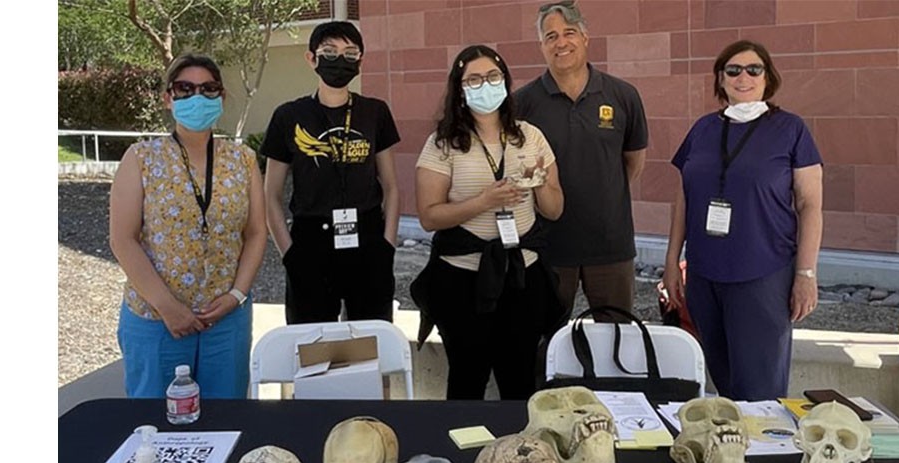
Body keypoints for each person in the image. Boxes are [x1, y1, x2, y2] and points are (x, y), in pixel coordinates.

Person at [662, 40, 824, 401]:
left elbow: (810, 205)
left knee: (760, 391)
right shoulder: (703, 129)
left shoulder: (790, 129)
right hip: (705, 275)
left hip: (762, 275)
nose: (743, 77)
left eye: (754, 69)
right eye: (733, 70)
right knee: (724, 380)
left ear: (768, 77)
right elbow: (684, 197)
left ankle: (763, 440)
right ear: (721, 79)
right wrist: (672, 260)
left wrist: (806, 274)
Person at [411, 44, 565, 400]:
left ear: (506, 83)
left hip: (523, 275)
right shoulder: (442, 144)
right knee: (467, 378)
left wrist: (539, 184)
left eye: (493, 77)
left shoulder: (530, 136)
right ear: (460, 90)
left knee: (520, 378)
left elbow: (555, 209)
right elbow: (429, 216)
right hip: (463, 279)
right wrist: (483, 202)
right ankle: (463, 438)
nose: (486, 85)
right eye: (475, 79)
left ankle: (519, 438)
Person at [109, 54, 266, 399]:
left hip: (225, 320)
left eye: (208, 89)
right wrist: (168, 307)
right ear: (168, 98)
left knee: (226, 418)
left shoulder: (243, 160)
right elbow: (123, 239)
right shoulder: (141, 158)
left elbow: (256, 232)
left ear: (221, 98)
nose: (198, 97)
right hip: (156, 319)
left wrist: (236, 295)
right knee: (155, 420)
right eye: (185, 88)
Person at [514, 0, 648, 320]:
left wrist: (603, 196)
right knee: (544, 337)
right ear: (542, 46)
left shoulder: (623, 96)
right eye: (551, 36)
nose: (561, 42)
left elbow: (633, 163)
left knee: (616, 336)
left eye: (569, 32)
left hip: (610, 246)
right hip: (547, 247)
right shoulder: (522, 104)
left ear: (585, 37)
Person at [261, 21, 400, 324]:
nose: (340, 59)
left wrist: (387, 245)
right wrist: (289, 254)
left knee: (369, 340)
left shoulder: (375, 112)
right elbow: (270, 194)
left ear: (360, 61)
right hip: (310, 241)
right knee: (314, 344)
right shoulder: (288, 116)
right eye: (330, 51)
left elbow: (390, 186)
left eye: (350, 53)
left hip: (368, 238)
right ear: (311, 58)